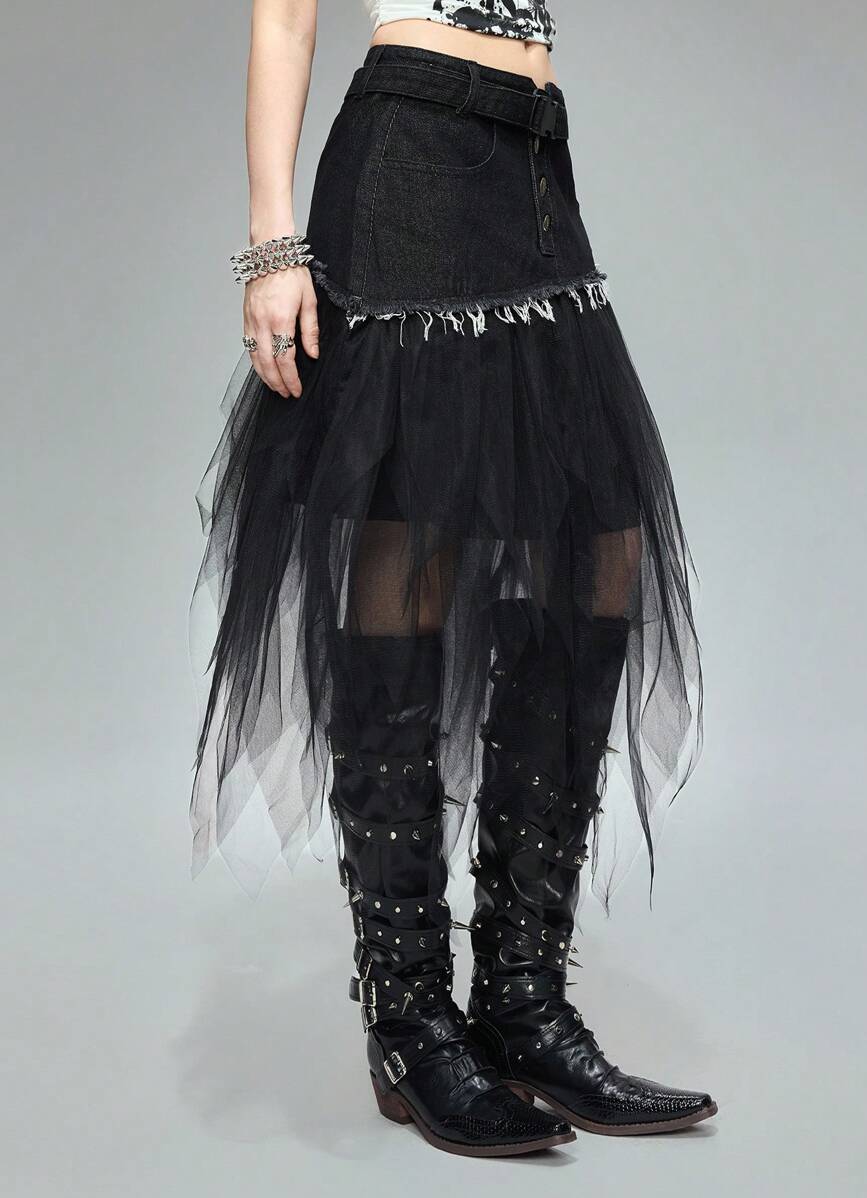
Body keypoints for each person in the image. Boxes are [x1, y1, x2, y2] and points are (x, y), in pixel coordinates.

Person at [190, 0, 714, 1157]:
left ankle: (521, 1002)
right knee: (408, 539)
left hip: (534, 165)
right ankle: (410, 1017)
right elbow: (285, 18)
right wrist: (273, 245)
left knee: (598, 545)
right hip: (410, 157)